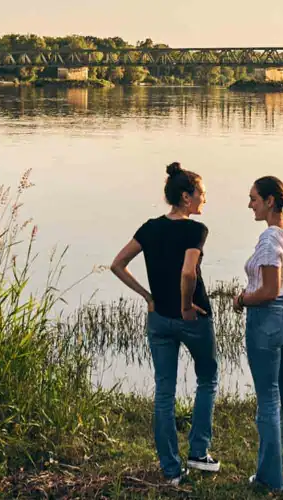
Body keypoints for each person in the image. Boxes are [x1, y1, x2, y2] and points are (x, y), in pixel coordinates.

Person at [109, 162, 221, 485]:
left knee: (164, 392)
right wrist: (186, 307)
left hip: (158, 319)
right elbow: (189, 272)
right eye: (201, 194)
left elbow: (117, 264)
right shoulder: (194, 231)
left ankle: (171, 471)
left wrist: (148, 296)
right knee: (207, 378)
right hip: (193, 318)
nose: (204, 199)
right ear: (186, 197)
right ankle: (198, 453)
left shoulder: (149, 227)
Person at [231, 175, 283, 492]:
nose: (249, 204)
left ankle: (270, 479)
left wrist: (241, 299)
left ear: (269, 201)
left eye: (253, 198)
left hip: (268, 318)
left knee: (268, 400)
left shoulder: (269, 239)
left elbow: (267, 291)